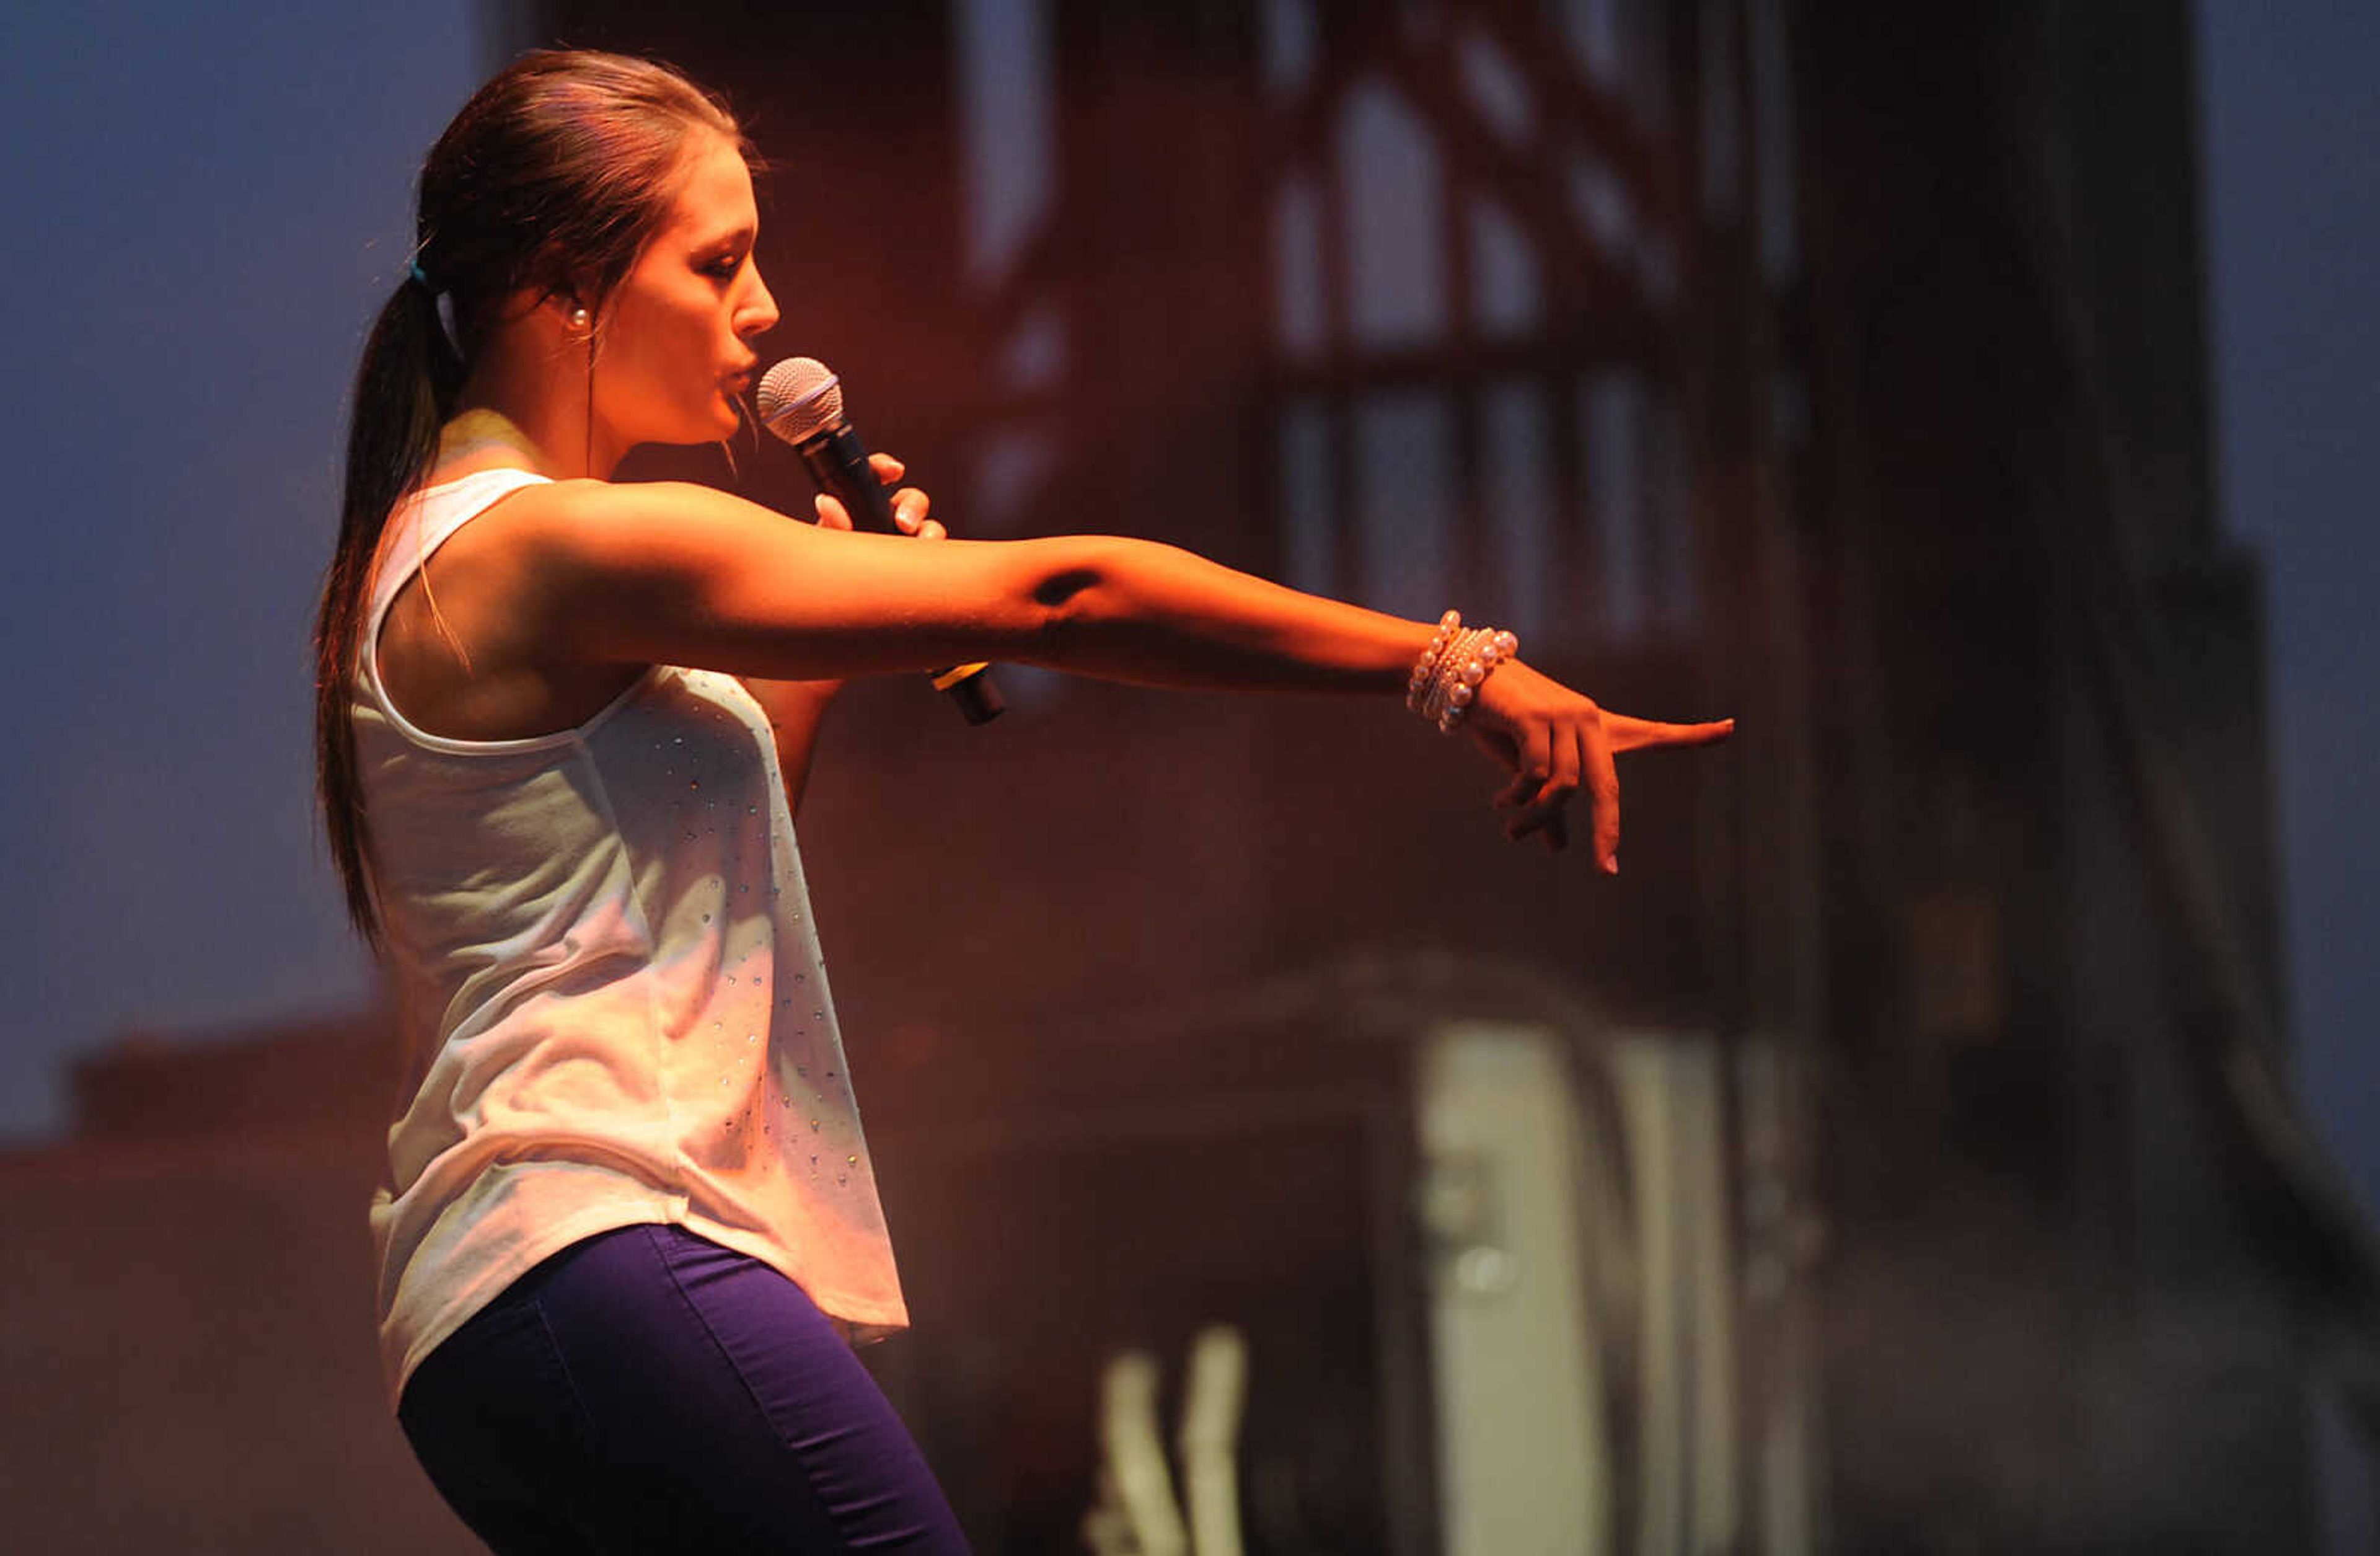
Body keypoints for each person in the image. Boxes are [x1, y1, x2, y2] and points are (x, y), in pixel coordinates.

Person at [314, 47, 1730, 1555]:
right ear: (560, 281)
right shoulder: (549, 548)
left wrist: (843, 623)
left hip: (503, 1316)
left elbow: (706, 858)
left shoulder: (454, 556)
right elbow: (1066, 593)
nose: (766, 306)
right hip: (597, 1246)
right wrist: (1447, 664)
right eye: (719, 261)